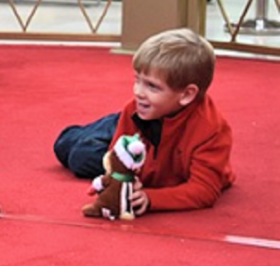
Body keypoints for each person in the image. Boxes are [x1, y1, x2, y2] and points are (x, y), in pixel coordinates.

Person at [54, 28, 235, 214]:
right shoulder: (134, 108)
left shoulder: (212, 129)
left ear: (187, 95)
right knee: (66, 145)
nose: (138, 91)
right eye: (137, 80)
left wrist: (150, 198)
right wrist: (120, 180)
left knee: (80, 156)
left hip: (151, 142)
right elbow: (117, 159)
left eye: (152, 86)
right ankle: (107, 124)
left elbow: (204, 190)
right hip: (140, 122)